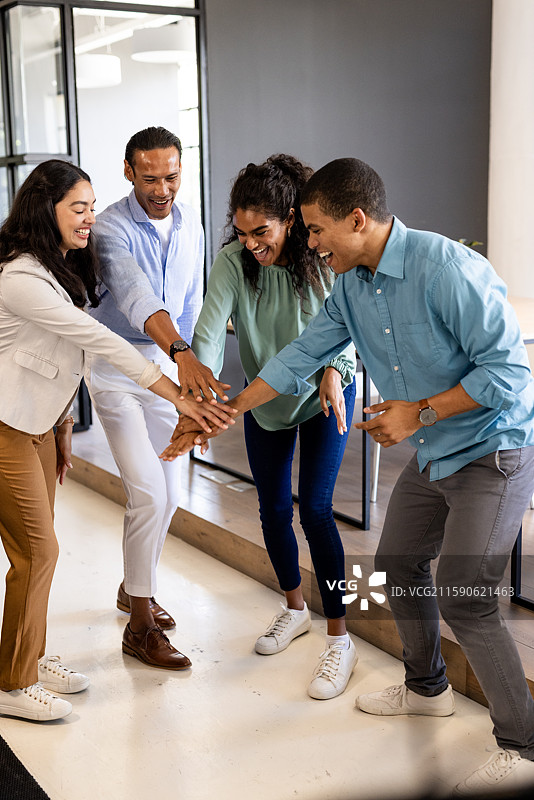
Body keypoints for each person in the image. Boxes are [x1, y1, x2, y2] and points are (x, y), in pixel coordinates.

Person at [166, 157, 534, 795]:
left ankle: (524, 746)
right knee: (395, 563)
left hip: (492, 451)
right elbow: (301, 355)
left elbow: (510, 372)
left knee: (466, 596)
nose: (309, 243)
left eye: (315, 229)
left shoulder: (445, 268)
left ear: (357, 220)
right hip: (435, 451)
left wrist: (418, 412)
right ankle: (427, 690)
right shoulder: (351, 287)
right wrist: (225, 412)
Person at [0, 160, 233, 722]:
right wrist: (179, 394)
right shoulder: (20, 277)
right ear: (45, 209)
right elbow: (98, 339)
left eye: (91, 206)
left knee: (38, 552)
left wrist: (61, 427)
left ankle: (29, 657)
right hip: (6, 427)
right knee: (38, 552)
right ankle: (11, 685)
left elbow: (54, 359)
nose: (90, 218)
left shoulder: (55, 267)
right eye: (78, 208)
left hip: (36, 424)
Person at [184, 154, 358, 700]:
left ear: (289, 219)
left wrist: (336, 371)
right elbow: (208, 332)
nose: (251, 243)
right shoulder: (234, 263)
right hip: (265, 399)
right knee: (274, 508)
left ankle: (340, 637)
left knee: (317, 510)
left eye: (261, 231)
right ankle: (295, 608)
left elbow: (347, 325)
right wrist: (201, 398)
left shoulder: (321, 257)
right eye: (241, 232)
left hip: (325, 391)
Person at [86, 127, 229, 670]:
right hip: (116, 366)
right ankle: (140, 625)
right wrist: (183, 353)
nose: (162, 189)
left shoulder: (190, 222)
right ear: (128, 172)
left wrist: (190, 373)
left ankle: (132, 588)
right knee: (146, 491)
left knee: (168, 494)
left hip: (168, 368)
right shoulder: (109, 229)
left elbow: (190, 300)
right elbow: (134, 294)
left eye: (171, 177)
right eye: (149, 178)